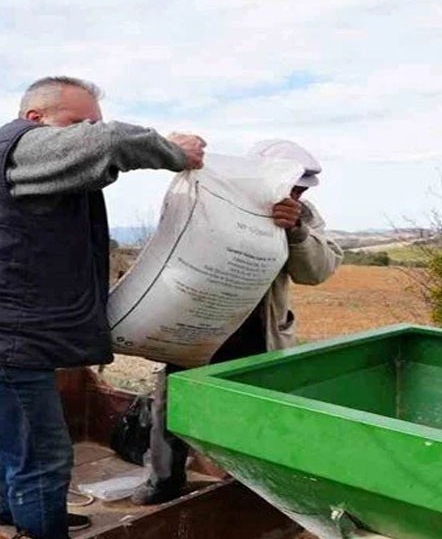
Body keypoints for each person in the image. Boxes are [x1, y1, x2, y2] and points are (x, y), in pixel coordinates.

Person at [0, 76, 206, 539]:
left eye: (92, 123)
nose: (87, 132)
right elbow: (109, 141)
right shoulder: (25, 145)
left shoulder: (12, 160)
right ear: (35, 118)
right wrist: (173, 151)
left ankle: (17, 515)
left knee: (18, 440)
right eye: (77, 123)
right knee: (44, 456)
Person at [131, 139, 343, 505]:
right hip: (199, 324)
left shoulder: (302, 216)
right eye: (291, 187)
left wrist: (297, 231)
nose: (296, 195)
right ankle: (163, 481)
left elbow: (317, 271)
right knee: (173, 402)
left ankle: (244, 488)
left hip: (259, 332)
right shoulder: (217, 196)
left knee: (250, 413)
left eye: (301, 190)